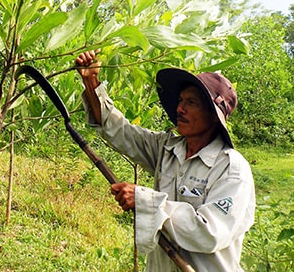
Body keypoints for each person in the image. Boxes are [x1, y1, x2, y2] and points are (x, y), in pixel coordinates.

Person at [75, 50, 255, 272]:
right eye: (180, 100)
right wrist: (91, 83)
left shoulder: (231, 169)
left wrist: (144, 200)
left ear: (212, 115)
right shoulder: (167, 149)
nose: (180, 108)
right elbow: (120, 132)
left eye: (191, 102)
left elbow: (209, 234)